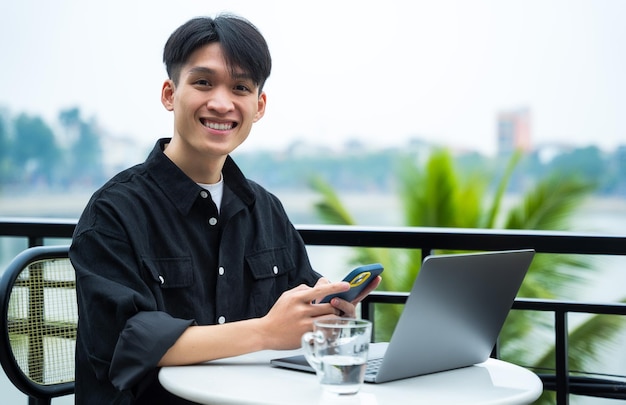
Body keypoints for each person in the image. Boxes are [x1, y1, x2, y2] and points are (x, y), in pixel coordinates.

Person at [69, 13, 381, 404]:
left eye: (240, 87)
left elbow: (300, 304)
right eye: (203, 82)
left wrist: (329, 314)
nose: (221, 103)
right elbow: (128, 343)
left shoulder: (265, 209)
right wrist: (266, 330)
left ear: (259, 104)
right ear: (169, 93)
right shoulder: (113, 213)